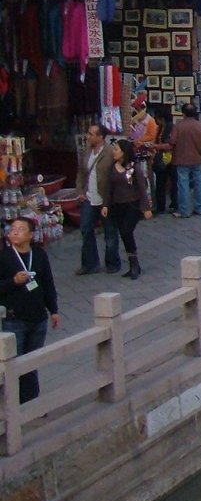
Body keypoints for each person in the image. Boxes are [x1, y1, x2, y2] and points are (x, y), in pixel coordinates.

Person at [0, 217, 60, 403]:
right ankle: (11, 405)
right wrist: (13, 282)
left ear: (30, 235)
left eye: (20, 229)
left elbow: (47, 283)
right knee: (13, 364)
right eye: (13, 229)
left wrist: (54, 310)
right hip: (14, 319)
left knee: (31, 362)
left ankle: (32, 402)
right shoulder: (4, 257)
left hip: (39, 318)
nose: (15, 232)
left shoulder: (39, 254)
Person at [73, 122, 121, 274]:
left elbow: (118, 174)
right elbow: (81, 173)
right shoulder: (86, 152)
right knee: (86, 229)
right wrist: (79, 190)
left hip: (105, 199)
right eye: (88, 133)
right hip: (88, 197)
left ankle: (112, 262)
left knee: (110, 232)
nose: (88, 136)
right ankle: (90, 263)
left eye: (91, 134)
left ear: (100, 137)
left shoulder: (110, 152)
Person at [105, 137, 152, 280]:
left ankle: (134, 263)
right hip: (118, 205)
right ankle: (133, 264)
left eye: (116, 149)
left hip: (132, 205)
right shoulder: (113, 168)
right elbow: (109, 188)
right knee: (124, 233)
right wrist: (106, 205)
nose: (114, 152)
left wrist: (146, 207)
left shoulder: (133, 168)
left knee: (126, 230)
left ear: (124, 152)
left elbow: (142, 188)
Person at [170, 103, 201, 219]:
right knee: (199, 183)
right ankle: (200, 208)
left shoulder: (178, 126)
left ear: (183, 113)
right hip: (197, 159)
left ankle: (184, 210)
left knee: (183, 185)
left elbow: (172, 142)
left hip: (181, 159)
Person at [149, 103, 178, 215]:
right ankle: (160, 206)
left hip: (171, 158)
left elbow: (170, 145)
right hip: (161, 159)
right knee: (160, 183)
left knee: (173, 183)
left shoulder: (171, 128)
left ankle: (174, 204)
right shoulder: (160, 128)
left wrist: (156, 146)